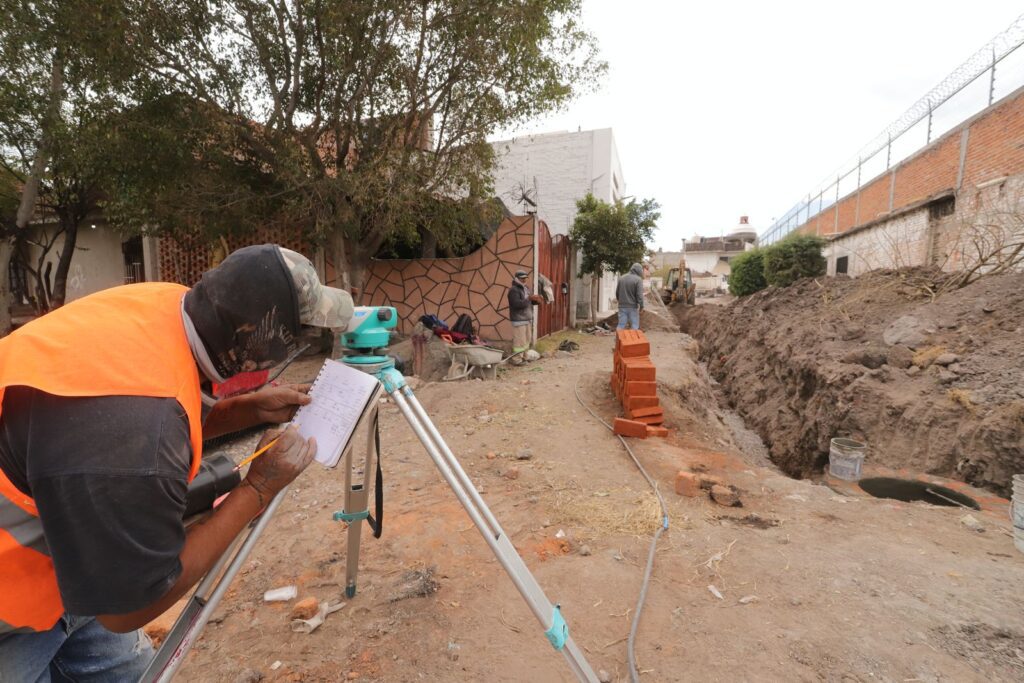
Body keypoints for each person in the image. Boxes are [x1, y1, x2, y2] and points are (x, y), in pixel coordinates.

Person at [0, 244, 354, 681]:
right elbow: (127, 608)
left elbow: (138, 394)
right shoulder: (135, 437)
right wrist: (257, 490)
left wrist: (248, 409)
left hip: (75, 557)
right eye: (296, 336)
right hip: (10, 600)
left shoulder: (169, 304)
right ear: (259, 345)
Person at [507, 269, 544, 363]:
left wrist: (537, 301)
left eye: (525, 278)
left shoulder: (526, 288)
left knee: (526, 341)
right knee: (519, 342)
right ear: (516, 278)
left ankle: (524, 357)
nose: (524, 280)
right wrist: (529, 298)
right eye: (522, 278)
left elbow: (528, 302)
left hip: (527, 319)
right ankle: (516, 360)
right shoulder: (513, 290)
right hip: (518, 320)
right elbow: (517, 304)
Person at [615, 262, 645, 330]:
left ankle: (618, 339)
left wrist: (620, 302)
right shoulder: (638, 279)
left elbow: (617, 293)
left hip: (622, 306)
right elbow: (639, 295)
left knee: (621, 325)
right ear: (639, 270)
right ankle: (633, 340)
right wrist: (642, 306)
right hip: (632, 307)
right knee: (634, 325)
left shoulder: (621, 278)